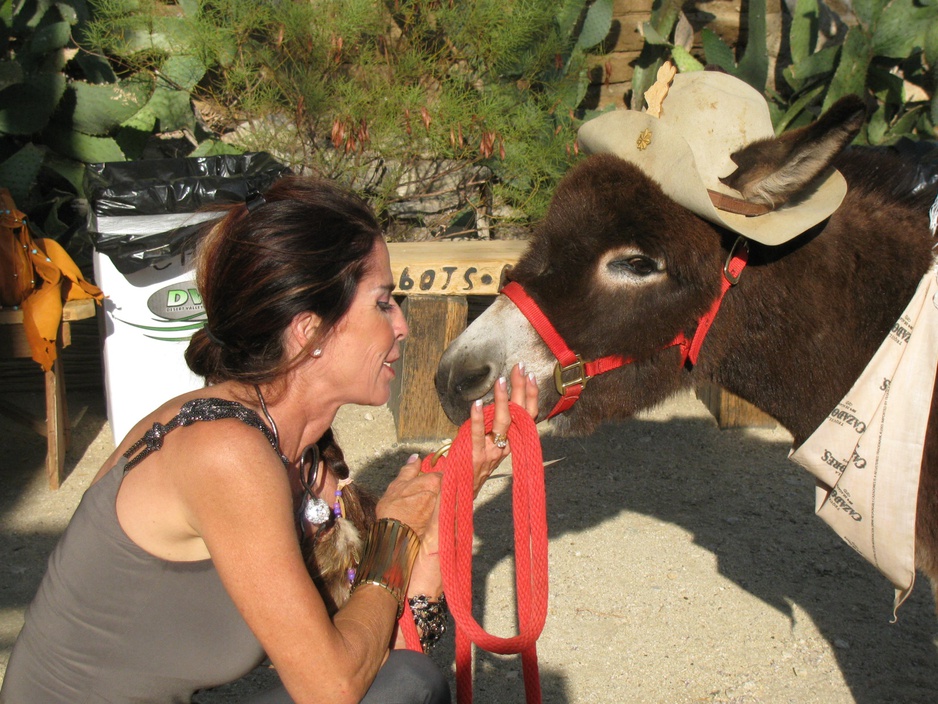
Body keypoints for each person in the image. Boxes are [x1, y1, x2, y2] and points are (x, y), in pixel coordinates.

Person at [0, 177, 539, 704]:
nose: (402, 325)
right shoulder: (224, 454)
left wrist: (447, 504)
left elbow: (391, 645)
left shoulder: (304, 457)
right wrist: (395, 534)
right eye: (382, 302)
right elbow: (333, 688)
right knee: (408, 687)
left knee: (409, 678)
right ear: (311, 330)